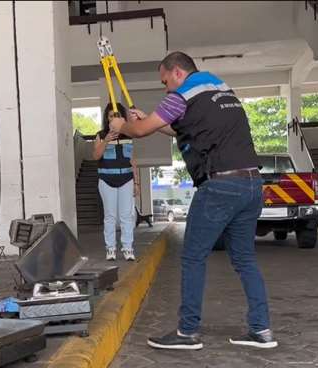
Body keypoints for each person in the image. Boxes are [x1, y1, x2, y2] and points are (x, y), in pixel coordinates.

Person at [109, 52, 277, 350]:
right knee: (245, 259)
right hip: (251, 184)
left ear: (176, 72)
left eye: (164, 81)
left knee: (193, 256)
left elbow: (139, 131)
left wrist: (122, 125)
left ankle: (187, 332)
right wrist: (148, 119)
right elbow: (179, 127)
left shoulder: (182, 94)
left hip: (220, 185)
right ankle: (261, 330)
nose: (165, 89)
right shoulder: (221, 89)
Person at [93, 102, 138, 261]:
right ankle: (110, 249)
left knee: (126, 215)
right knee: (110, 216)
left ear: (122, 118)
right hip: (106, 179)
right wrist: (105, 141)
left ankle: (128, 248)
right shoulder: (100, 134)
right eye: (111, 115)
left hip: (126, 179)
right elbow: (96, 156)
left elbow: (133, 160)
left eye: (116, 115)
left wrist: (136, 183)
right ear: (107, 118)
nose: (113, 118)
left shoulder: (129, 135)